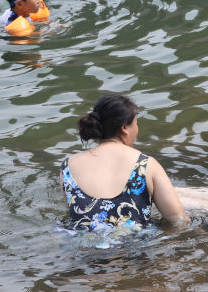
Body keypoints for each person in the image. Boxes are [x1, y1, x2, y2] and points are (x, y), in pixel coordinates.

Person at [60, 94, 188, 232]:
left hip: (83, 252)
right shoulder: (145, 164)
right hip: (136, 251)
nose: (137, 129)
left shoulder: (68, 166)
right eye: (136, 123)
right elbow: (178, 220)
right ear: (125, 128)